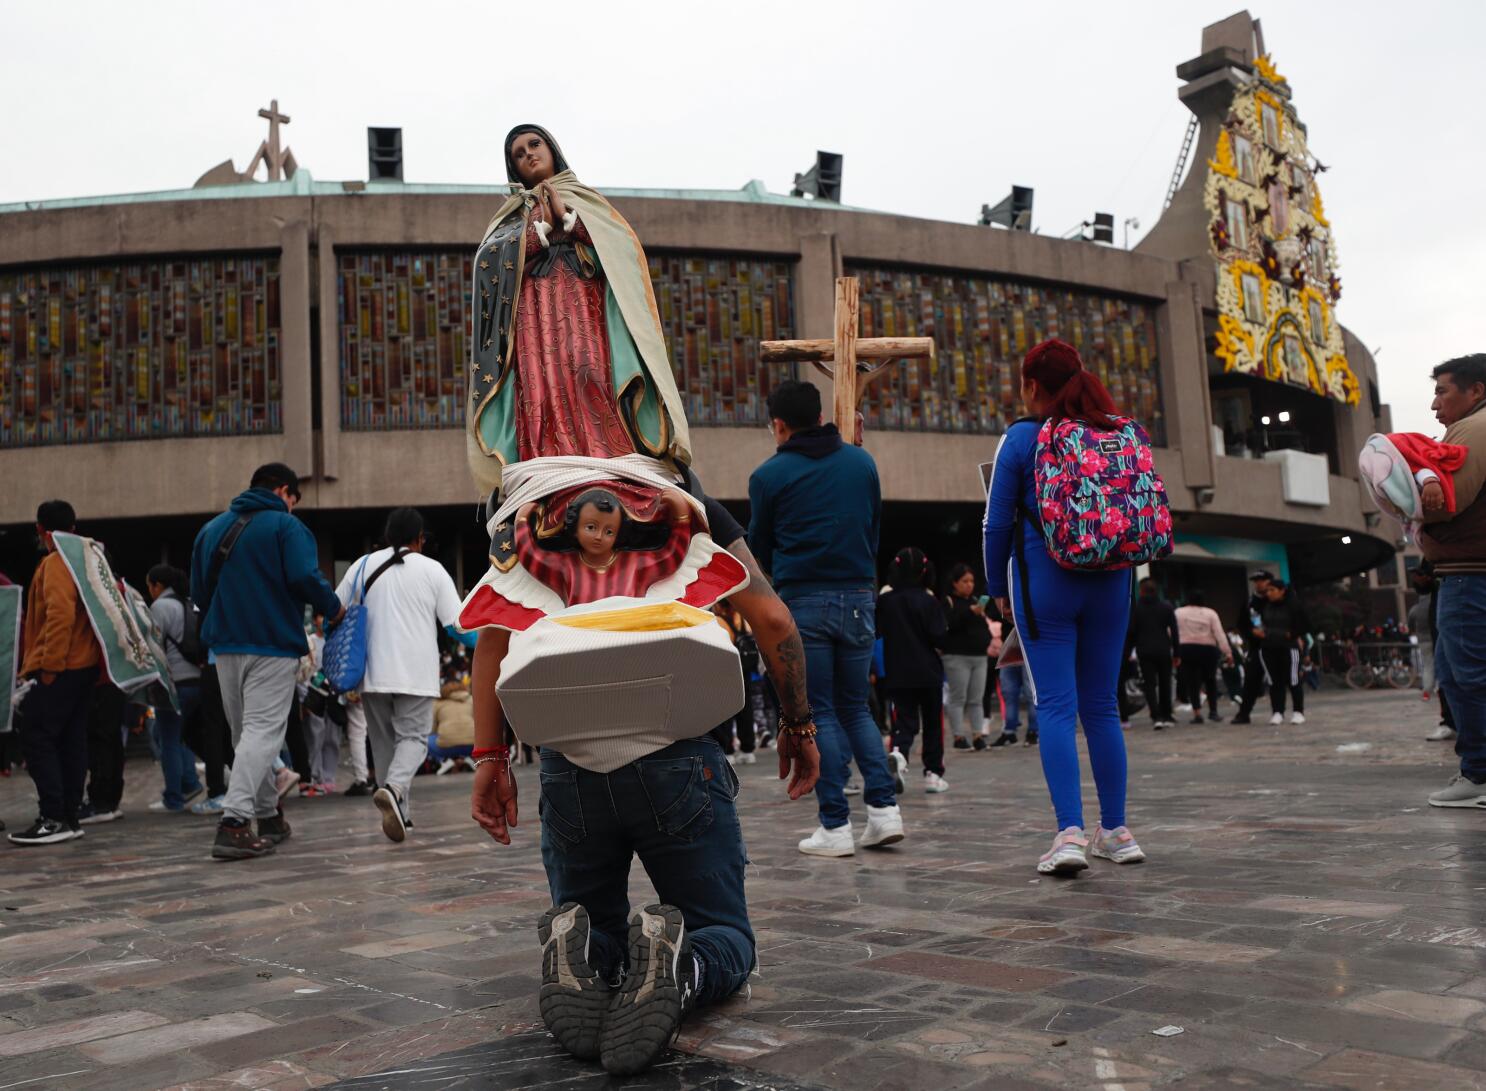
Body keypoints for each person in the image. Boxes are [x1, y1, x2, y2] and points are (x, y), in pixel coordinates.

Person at [468, 493, 819, 1076]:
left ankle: (578, 950)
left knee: (593, 920)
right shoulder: (683, 504)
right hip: (675, 753)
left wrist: (489, 759)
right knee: (722, 932)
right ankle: (680, 968)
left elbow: (493, 645)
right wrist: (798, 721)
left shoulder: (534, 510)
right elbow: (774, 620)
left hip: (567, 759)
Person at [983, 339, 1146, 874]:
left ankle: (1069, 835)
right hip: (1114, 582)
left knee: (1055, 705)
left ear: (1032, 386)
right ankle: (1117, 831)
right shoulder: (1116, 431)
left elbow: (997, 524)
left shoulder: (1022, 438)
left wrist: (996, 589)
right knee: (1102, 706)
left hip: (1045, 582)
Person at [749, 379, 904, 858]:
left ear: (779, 425)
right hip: (859, 594)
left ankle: (835, 825)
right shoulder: (861, 463)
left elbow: (758, 548)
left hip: (804, 599)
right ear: (820, 415)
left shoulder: (768, 476)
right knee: (857, 707)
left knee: (818, 713)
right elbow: (874, 526)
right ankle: (883, 812)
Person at [190, 463, 345, 860]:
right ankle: (235, 823)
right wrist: (333, 608)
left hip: (224, 646)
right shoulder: (286, 528)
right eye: (293, 498)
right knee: (262, 733)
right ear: (283, 491)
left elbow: (199, 592)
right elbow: (304, 577)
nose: (292, 506)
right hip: (272, 643)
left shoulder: (211, 530)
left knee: (245, 736)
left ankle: (267, 815)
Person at [335, 507, 463, 843]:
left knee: (382, 743)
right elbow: (456, 623)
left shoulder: (360, 567)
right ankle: (392, 788)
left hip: (370, 671)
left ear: (387, 536)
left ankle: (401, 813)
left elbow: (334, 610)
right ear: (420, 538)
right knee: (414, 739)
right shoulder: (433, 570)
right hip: (415, 670)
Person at [9, 500, 102, 846]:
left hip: (61, 666)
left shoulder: (56, 563)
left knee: (36, 735)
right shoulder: (85, 560)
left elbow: (59, 615)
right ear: (73, 527)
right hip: (83, 666)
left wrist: (49, 666)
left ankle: (54, 816)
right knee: (70, 740)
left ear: (40, 530)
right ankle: (69, 816)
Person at [1417, 355, 1486, 808]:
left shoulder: (1473, 429)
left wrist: (1418, 505)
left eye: (1443, 390)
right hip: (1467, 573)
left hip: (1469, 574)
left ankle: (1479, 774)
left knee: (1465, 678)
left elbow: (1449, 502)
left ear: (1475, 390)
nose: (1435, 403)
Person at [876, 548, 947, 794]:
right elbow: (939, 637)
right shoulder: (929, 601)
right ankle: (933, 773)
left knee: (902, 722)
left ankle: (899, 754)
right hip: (928, 671)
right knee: (932, 724)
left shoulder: (885, 601)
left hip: (897, 671)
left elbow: (876, 631)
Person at [144, 565, 206, 813]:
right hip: (197, 680)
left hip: (174, 682)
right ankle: (189, 783)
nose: (149, 591)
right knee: (184, 736)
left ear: (158, 585)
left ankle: (174, 797)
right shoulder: (189, 603)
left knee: (167, 738)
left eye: (149, 586)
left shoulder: (160, 607)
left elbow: (153, 646)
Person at [942, 563, 992, 750]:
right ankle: (958, 736)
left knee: (976, 698)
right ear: (955, 583)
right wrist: (969, 612)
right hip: (957, 655)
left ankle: (978, 735)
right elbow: (949, 624)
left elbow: (983, 627)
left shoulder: (976, 600)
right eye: (964, 581)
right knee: (958, 697)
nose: (969, 585)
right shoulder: (948, 601)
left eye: (971, 581)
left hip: (979, 655)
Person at [1127, 578, 1180, 730]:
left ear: (1141, 591)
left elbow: (1132, 632)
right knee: (1165, 683)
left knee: (1149, 685)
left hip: (1145, 651)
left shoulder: (1136, 609)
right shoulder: (1166, 607)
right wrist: (1177, 652)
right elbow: (1174, 632)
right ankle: (1167, 714)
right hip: (1164, 649)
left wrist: (1128, 651)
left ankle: (1156, 716)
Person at [1174, 589, 1233, 724]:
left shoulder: (1178, 612)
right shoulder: (1210, 613)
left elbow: (1172, 631)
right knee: (1210, 681)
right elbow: (1219, 634)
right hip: (1208, 650)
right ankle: (1213, 712)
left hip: (1186, 649)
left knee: (1192, 683)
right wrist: (1228, 652)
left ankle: (1197, 714)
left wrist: (1175, 649)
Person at [1256, 579, 1308, 724]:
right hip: (1268, 647)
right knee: (1274, 681)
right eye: (1267, 591)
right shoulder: (1265, 606)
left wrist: (1292, 634)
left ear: (1282, 590)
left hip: (1289, 647)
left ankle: (1298, 711)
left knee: (1293, 679)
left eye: (1272, 590)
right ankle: (1277, 712)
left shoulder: (1293, 605)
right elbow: (1258, 622)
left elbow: (1304, 625)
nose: (1269, 593)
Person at [1231, 570, 1278, 724]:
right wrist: (1251, 632)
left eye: (1262, 580)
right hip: (1257, 647)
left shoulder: (1278, 599)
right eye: (1256, 581)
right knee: (1251, 680)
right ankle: (1244, 713)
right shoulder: (1251, 602)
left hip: (1276, 645)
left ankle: (1278, 712)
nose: (1259, 583)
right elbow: (1242, 623)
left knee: (1276, 680)